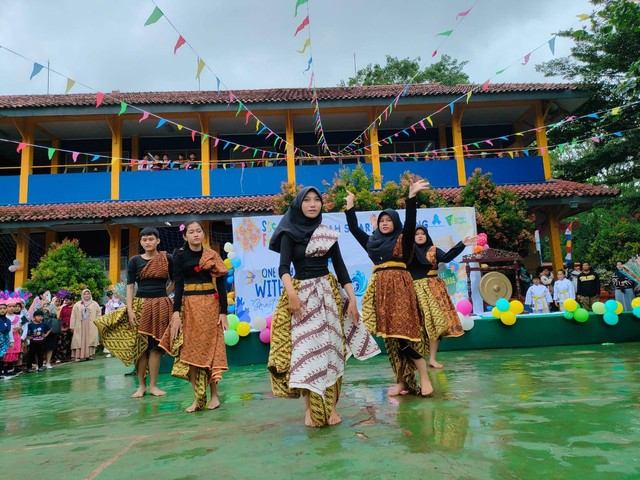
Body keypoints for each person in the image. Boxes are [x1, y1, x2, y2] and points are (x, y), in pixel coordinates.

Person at [268, 187, 379, 427]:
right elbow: (283, 268)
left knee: (332, 351)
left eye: (317, 200)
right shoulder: (288, 232)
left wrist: (352, 301)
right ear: (298, 205)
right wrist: (292, 296)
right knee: (306, 353)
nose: (312, 204)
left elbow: (340, 269)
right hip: (302, 298)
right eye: (307, 200)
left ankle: (333, 408)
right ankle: (309, 408)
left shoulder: (327, 233)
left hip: (329, 295)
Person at [345, 179, 434, 397]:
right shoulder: (373, 243)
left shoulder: (403, 240)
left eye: (388, 220)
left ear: (395, 222)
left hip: (401, 289)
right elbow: (355, 229)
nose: (384, 223)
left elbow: (411, 223)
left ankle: (423, 377)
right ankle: (402, 381)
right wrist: (350, 206)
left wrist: (411, 197)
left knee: (405, 335)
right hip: (381, 291)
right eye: (381, 221)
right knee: (391, 341)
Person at [95, 227, 174, 398]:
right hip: (139, 306)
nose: (148, 242)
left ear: (158, 241)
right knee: (139, 347)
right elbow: (130, 286)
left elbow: (176, 280)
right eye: (144, 239)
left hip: (161, 306)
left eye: (151, 239)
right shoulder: (134, 261)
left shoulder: (167, 258)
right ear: (141, 242)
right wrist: (130, 310)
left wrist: (164, 295)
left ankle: (153, 385)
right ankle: (141, 386)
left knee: (155, 347)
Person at [160, 221, 229, 413]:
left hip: (210, 305)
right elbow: (179, 284)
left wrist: (224, 312)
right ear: (185, 236)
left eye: (199, 231)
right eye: (192, 232)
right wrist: (175, 313)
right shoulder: (179, 256)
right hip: (188, 306)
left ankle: (214, 395)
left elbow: (221, 285)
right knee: (189, 350)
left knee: (211, 349)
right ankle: (198, 397)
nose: (196, 234)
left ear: (203, 235)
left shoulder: (212, 255)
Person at [408, 226, 476, 369]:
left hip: (434, 288)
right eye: (417, 234)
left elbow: (446, 257)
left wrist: (461, 244)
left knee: (436, 323)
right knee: (417, 323)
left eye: (423, 234)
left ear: (427, 236)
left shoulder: (433, 250)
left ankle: (432, 359)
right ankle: (417, 360)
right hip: (414, 288)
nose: (420, 236)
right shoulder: (409, 251)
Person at [70, 289, 101, 361]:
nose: (86, 295)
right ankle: (78, 356)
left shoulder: (94, 304)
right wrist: (72, 326)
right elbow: (73, 316)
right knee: (79, 340)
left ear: (90, 295)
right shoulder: (77, 304)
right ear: (82, 295)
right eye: (85, 294)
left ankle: (88, 355)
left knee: (89, 339)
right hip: (80, 324)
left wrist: (97, 322)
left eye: (88, 294)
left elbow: (98, 314)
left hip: (91, 324)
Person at [2, 297, 22, 377]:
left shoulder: (18, 317)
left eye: (13, 306)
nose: (12, 308)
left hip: (15, 337)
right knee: (5, 353)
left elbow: (21, 327)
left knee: (12, 353)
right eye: (9, 306)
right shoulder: (4, 318)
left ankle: (10, 369)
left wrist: (18, 328)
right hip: (5, 337)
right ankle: (4, 370)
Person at [55, 294, 74, 362]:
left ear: (72, 300)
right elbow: (61, 318)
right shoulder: (64, 308)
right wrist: (62, 327)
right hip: (64, 328)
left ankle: (70, 356)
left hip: (73, 327)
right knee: (62, 343)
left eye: (67, 300)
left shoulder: (75, 307)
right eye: (65, 300)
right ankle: (61, 357)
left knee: (71, 342)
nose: (65, 302)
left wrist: (72, 327)